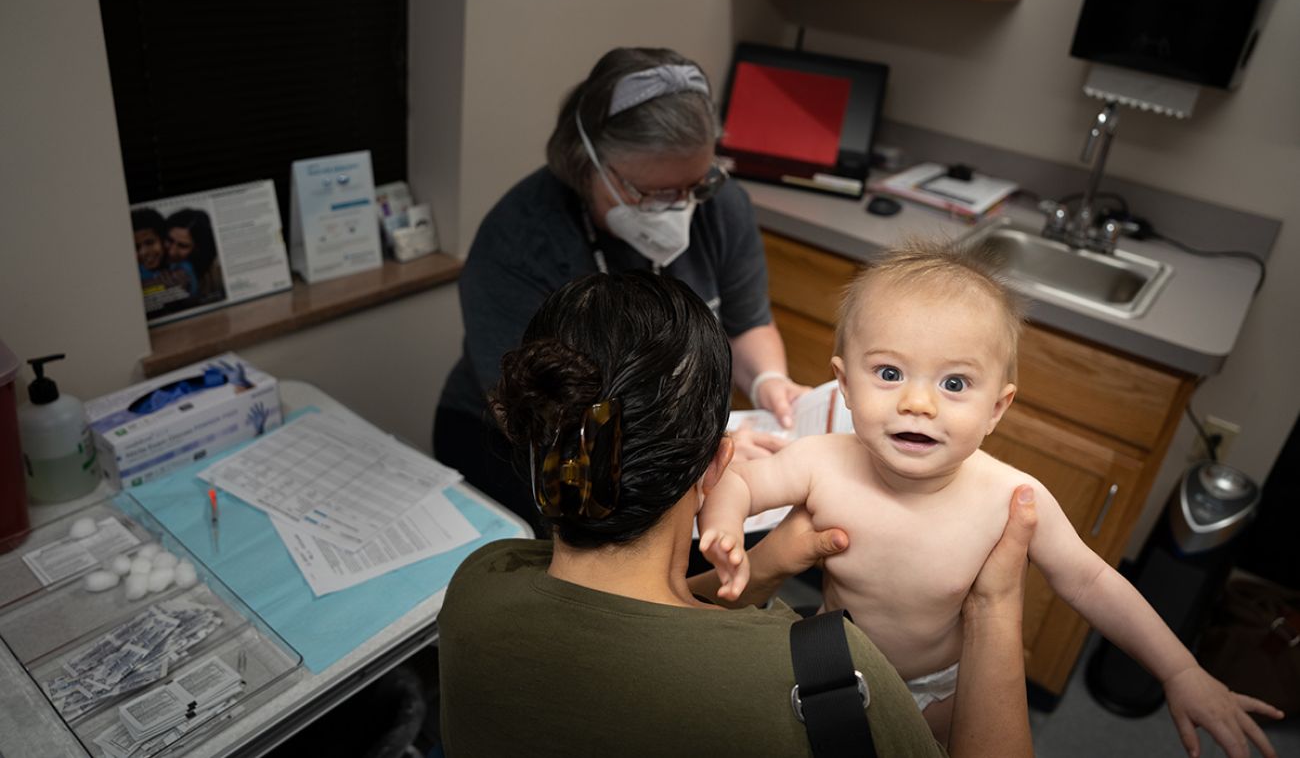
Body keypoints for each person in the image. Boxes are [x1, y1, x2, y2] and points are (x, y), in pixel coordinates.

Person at [698, 242, 1285, 755]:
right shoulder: (823, 461)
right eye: (889, 373)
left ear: (997, 409)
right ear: (844, 383)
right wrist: (723, 528)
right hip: (837, 658)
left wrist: (1180, 670)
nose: (919, 403)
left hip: (947, 688)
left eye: (954, 383)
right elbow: (743, 481)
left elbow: (1092, 581)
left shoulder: (1009, 498)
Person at [438, 271, 1039, 757]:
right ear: (717, 464)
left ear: (547, 438)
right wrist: (995, 604)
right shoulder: (829, 681)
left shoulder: (481, 584)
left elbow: (626, 611)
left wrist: (765, 568)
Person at [434, 47, 807, 532]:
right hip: (525, 441)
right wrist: (707, 445)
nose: (679, 209)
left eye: (694, 186)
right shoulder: (520, 239)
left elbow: (748, 320)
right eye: (652, 194)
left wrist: (769, 383)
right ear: (586, 162)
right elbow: (537, 415)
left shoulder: (721, 207)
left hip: (673, 442)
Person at [164, 208, 225, 306]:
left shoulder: (214, 274)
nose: (172, 252)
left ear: (197, 249)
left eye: (183, 246)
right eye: (169, 240)